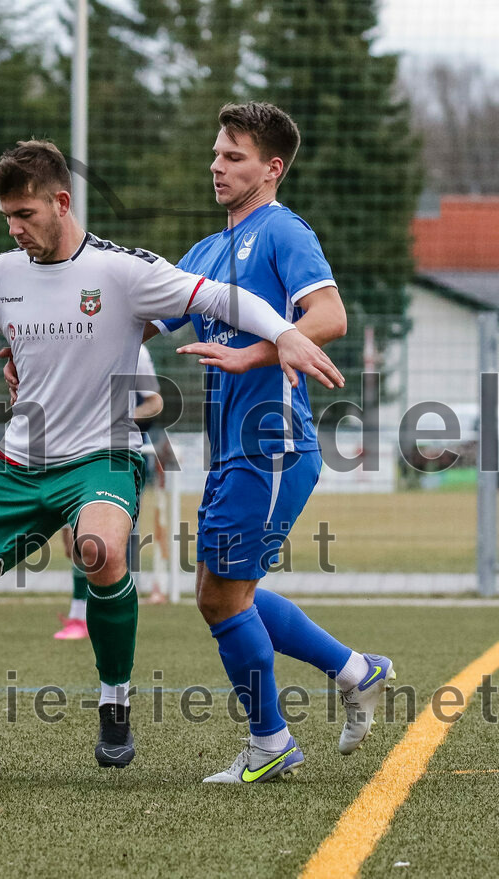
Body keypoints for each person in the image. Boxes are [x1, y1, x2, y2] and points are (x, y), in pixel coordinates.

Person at [0, 139, 343, 781]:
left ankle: (115, 703)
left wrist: (284, 335)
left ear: (62, 202)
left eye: (26, 214)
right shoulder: (2, 275)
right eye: (7, 217)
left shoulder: (122, 271)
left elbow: (224, 300)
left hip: (103, 458)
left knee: (99, 550)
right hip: (18, 468)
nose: (15, 228)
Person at [154, 102, 395, 782]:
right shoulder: (204, 250)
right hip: (231, 450)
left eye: (234, 156)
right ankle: (357, 669)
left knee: (219, 596)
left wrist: (256, 354)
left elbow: (330, 315)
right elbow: (144, 316)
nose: (217, 165)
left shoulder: (285, 231)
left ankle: (271, 740)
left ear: (272, 167)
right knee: (227, 590)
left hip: (273, 444)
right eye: (216, 153)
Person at [53, 344, 163, 641]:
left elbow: (154, 402)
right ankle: (82, 614)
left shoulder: (135, 348)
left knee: (108, 543)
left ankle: (93, 617)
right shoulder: (63, 340)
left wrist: (120, 422)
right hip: (66, 451)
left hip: (115, 458)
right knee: (74, 543)